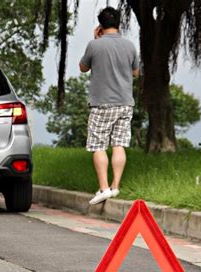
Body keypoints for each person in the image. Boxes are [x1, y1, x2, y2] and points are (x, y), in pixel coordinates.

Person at [79, 7, 139, 205]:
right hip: (125, 103)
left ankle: (103, 188)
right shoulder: (130, 46)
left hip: (102, 104)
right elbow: (136, 72)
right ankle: (115, 187)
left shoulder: (94, 46)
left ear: (100, 26)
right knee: (119, 144)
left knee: (98, 145)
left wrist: (96, 40)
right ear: (119, 23)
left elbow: (83, 68)